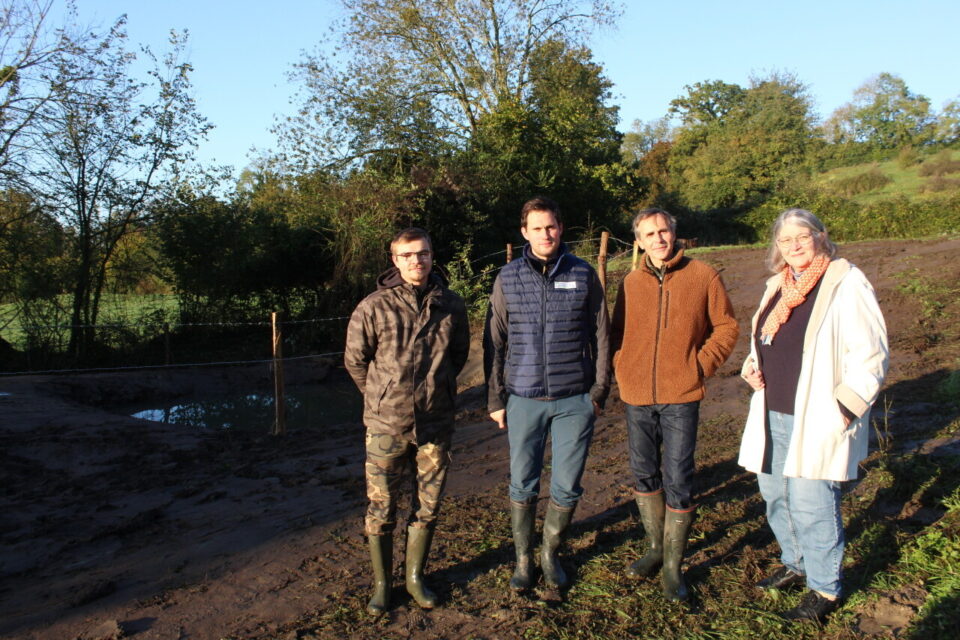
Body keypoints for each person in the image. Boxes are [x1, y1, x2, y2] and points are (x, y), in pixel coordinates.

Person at [739, 208, 888, 622]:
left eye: (802, 236)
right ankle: (796, 561)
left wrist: (847, 406)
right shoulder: (778, 286)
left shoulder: (845, 282)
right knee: (775, 494)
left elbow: (872, 352)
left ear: (821, 236)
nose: (794, 246)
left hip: (818, 414)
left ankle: (824, 588)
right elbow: (766, 339)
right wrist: (752, 364)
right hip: (774, 410)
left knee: (812, 503)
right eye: (785, 241)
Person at [483, 195, 611, 593]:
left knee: (567, 485)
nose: (545, 234)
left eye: (551, 226)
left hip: (575, 399)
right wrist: (495, 399)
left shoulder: (584, 273)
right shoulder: (507, 278)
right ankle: (523, 560)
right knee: (523, 484)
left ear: (561, 228)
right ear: (524, 232)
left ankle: (549, 554)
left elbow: (602, 335)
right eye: (536, 228)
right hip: (522, 399)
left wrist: (599, 391)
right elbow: (494, 342)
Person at [611, 207, 739, 601]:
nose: (658, 239)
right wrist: (623, 368)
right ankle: (654, 548)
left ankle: (673, 566)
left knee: (679, 477)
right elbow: (617, 333)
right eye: (649, 234)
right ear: (639, 241)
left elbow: (727, 326)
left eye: (663, 231)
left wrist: (698, 367)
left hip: (681, 394)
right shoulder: (630, 282)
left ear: (674, 232)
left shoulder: (703, 276)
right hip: (637, 395)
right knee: (643, 472)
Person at [344, 227, 470, 614]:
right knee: (381, 508)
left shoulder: (451, 304)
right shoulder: (373, 306)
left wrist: (439, 389)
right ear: (395, 261)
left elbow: (459, 356)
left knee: (428, 506)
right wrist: (381, 396)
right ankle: (383, 584)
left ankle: (415, 578)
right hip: (386, 426)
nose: (417, 261)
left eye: (424, 254)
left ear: (433, 257)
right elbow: (354, 360)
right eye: (408, 255)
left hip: (436, 422)